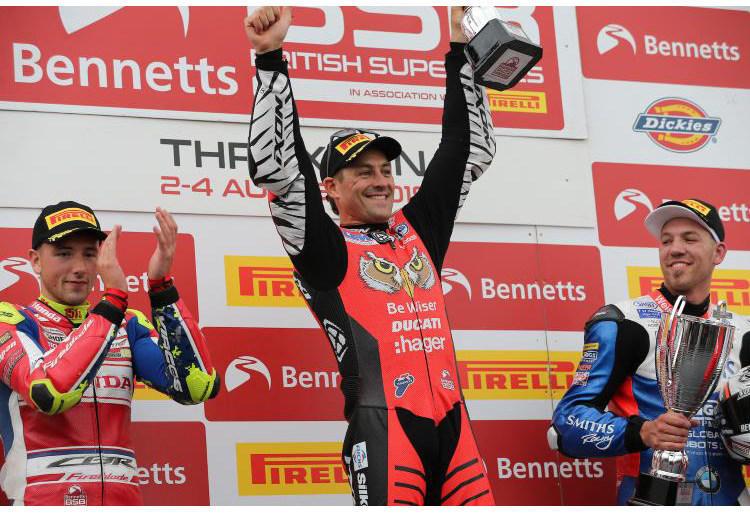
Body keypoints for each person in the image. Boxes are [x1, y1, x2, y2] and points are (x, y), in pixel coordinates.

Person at [245, 6, 496, 506]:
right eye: (363, 172)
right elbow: (282, 172)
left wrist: (458, 49)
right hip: (384, 431)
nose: (381, 181)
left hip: (455, 428)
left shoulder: (417, 231)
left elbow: (465, 150)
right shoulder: (323, 250)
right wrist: (270, 59)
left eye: (385, 170)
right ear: (331, 189)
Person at [0, 201, 219, 505]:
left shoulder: (127, 326)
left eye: (90, 254)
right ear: (35, 261)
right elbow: (51, 392)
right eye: (64, 254)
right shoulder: (12, 322)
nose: (79, 267)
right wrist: (113, 301)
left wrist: (162, 288)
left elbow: (196, 386)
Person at [548, 199, 750, 505]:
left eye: (690, 239)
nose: (675, 249)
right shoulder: (625, 323)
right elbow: (566, 425)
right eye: (666, 241)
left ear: (718, 252)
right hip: (650, 500)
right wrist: (643, 432)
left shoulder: (743, 331)